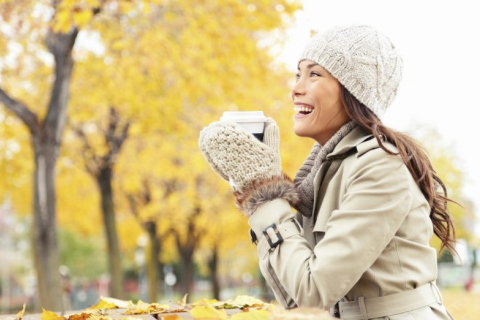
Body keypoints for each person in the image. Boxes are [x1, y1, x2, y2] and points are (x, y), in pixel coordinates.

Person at [198, 25, 455, 319]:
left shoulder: (381, 166)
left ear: (352, 90)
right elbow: (295, 297)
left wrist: (265, 195)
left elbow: (313, 290)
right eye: (298, 74)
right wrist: (254, 187)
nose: (295, 88)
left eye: (314, 74)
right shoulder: (321, 175)